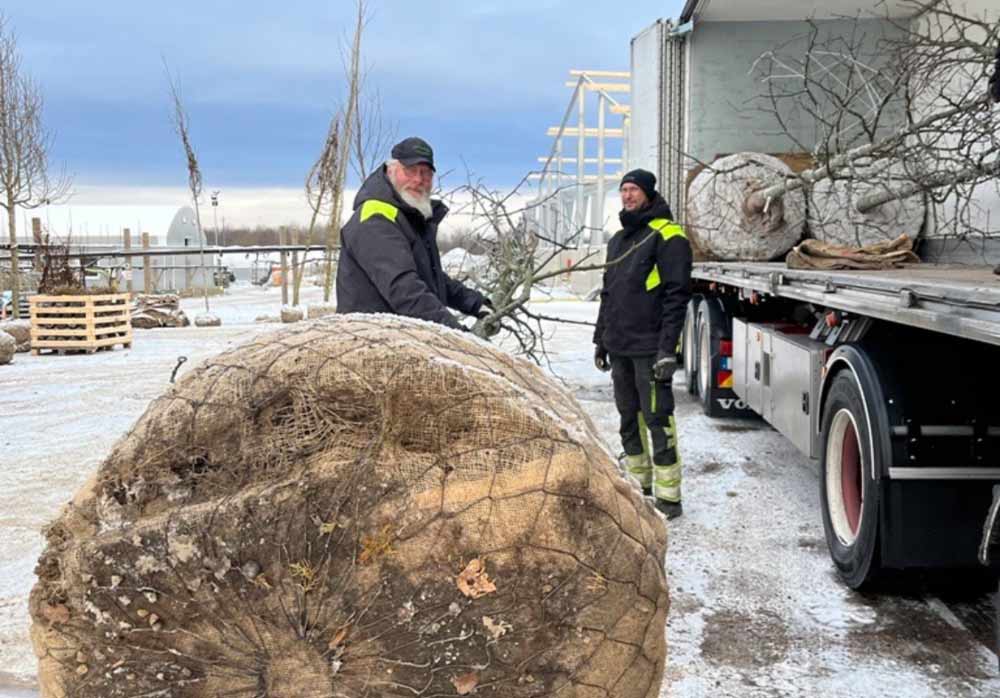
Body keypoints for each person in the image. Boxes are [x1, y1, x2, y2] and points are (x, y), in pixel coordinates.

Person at [593, 169, 692, 519]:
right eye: (623, 190)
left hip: (650, 347)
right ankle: (639, 484)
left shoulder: (668, 236)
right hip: (620, 345)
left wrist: (669, 349)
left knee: (657, 418)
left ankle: (669, 496)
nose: (627, 196)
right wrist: (600, 340)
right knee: (627, 418)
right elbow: (609, 294)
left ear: (649, 193)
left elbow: (675, 297)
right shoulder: (619, 240)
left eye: (633, 189)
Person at [337, 136, 490, 330]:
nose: (418, 180)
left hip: (403, 337)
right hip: (371, 340)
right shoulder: (376, 216)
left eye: (426, 173)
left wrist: (475, 303)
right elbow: (404, 289)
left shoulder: (409, 216)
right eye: (410, 170)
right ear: (391, 169)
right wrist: (456, 334)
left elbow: (431, 278)